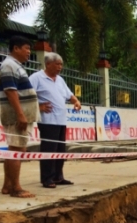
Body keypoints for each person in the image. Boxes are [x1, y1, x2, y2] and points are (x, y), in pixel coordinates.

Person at [29, 52, 81, 188]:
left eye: (61, 64)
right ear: (48, 64)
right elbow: (25, 96)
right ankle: (47, 178)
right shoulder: (36, 78)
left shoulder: (60, 80)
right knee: (49, 150)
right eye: (57, 64)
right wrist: (39, 106)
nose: (60, 67)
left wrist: (76, 101)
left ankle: (58, 176)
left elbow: (70, 95)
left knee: (60, 150)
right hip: (47, 121)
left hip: (61, 121)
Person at [0, 36, 38, 198]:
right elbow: (10, 91)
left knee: (13, 148)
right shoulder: (9, 65)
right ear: (16, 48)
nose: (29, 52)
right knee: (17, 149)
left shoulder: (16, 66)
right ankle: (16, 188)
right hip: (17, 116)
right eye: (26, 48)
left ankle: (8, 185)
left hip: (19, 115)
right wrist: (20, 114)